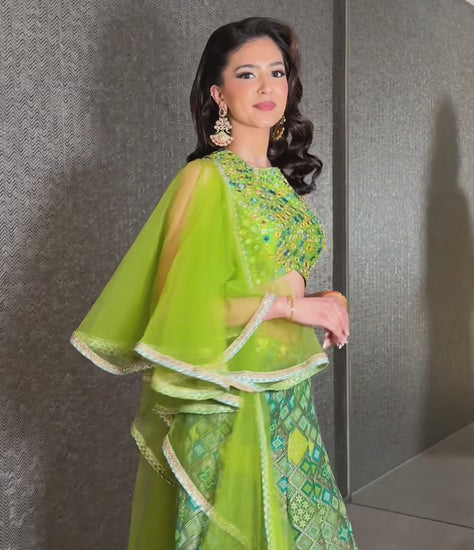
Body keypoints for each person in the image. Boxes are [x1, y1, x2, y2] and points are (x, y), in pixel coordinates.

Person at [70, 16, 356, 550]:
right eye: (248, 74)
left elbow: (270, 283)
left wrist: (324, 301)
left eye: (277, 72)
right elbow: (178, 308)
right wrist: (295, 310)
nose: (267, 86)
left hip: (287, 394)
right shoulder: (205, 178)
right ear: (218, 94)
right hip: (229, 398)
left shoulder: (279, 183)